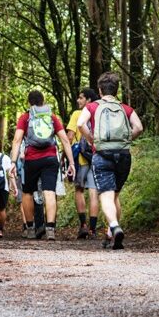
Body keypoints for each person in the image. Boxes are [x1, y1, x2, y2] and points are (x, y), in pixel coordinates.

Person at [77, 72, 144, 250]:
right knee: (115, 195)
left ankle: (114, 226)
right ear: (116, 90)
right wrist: (126, 140)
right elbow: (139, 127)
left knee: (106, 195)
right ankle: (110, 234)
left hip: (102, 155)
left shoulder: (92, 107)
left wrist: (91, 140)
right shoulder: (125, 108)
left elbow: (80, 124)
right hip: (123, 155)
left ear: (99, 90)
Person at [10, 91, 76, 240]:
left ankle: (30, 228)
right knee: (50, 191)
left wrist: (13, 162)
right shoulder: (51, 117)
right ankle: (50, 229)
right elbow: (65, 140)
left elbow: (17, 140)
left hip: (31, 160)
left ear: (29, 103)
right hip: (50, 159)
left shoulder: (25, 117)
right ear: (43, 101)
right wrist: (71, 163)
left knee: (27, 192)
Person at [68, 87, 100, 239]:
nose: (78, 100)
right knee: (94, 193)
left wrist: (67, 157)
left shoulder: (77, 114)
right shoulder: (99, 113)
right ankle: (93, 230)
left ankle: (83, 226)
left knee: (79, 190)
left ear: (88, 100)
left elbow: (69, 136)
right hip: (96, 157)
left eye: (81, 97)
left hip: (81, 159)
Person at [0, 152, 16, 239]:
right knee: (2, 209)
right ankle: (1, 228)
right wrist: (14, 186)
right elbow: (10, 173)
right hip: (4, 187)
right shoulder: (5, 157)